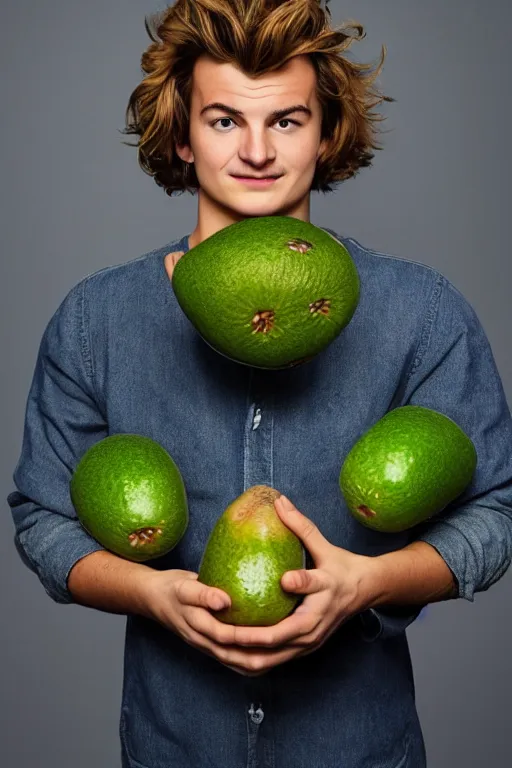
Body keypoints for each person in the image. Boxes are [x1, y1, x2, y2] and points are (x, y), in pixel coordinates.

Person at [8, 1, 512, 766]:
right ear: (183, 135)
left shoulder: (422, 311)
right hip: (171, 747)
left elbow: (496, 513)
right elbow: (43, 517)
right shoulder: (96, 319)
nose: (256, 151)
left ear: (325, 133)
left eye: (285, 121)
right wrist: (151, 595)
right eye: (222, 121)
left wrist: (368, 584)